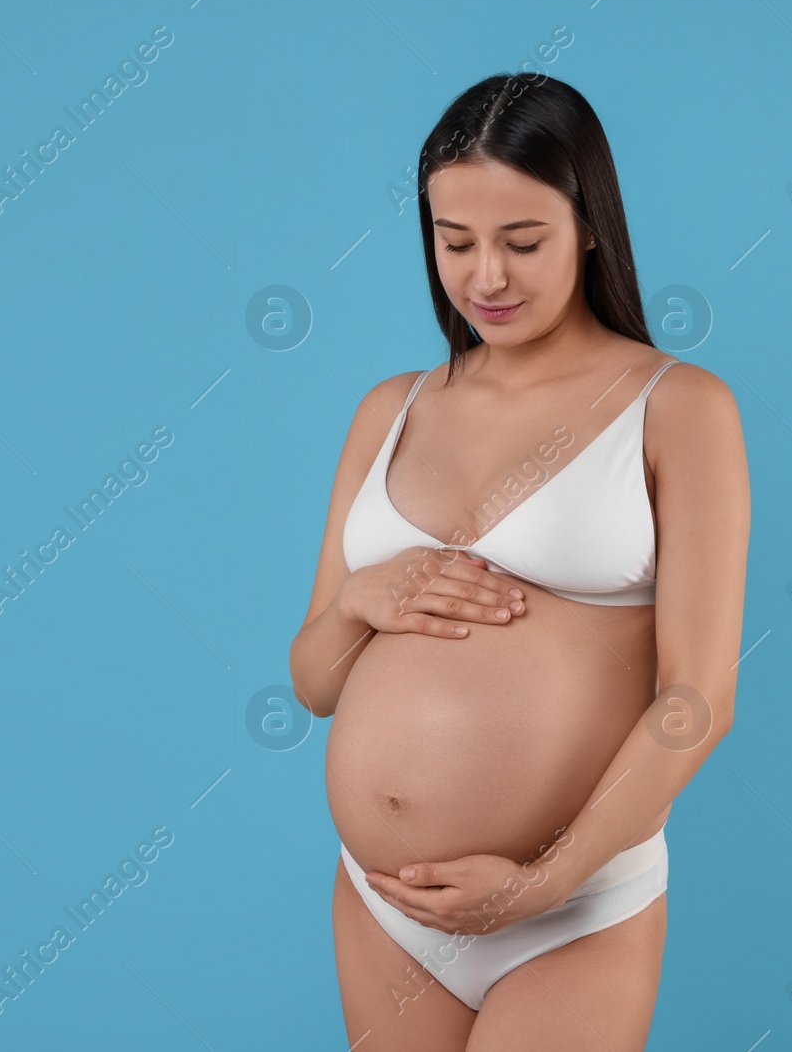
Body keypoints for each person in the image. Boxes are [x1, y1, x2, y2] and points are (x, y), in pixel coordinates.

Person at [288, 73, 750, 1051]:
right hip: (384, 908)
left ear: (588, 224)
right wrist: (360, 602)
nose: (484, 277)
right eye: (454, 242)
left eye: (521, 242)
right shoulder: (390, 408)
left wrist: (542, 881)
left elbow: (696, 699)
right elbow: (315, 683)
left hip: (571, 909)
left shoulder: (678, 408)